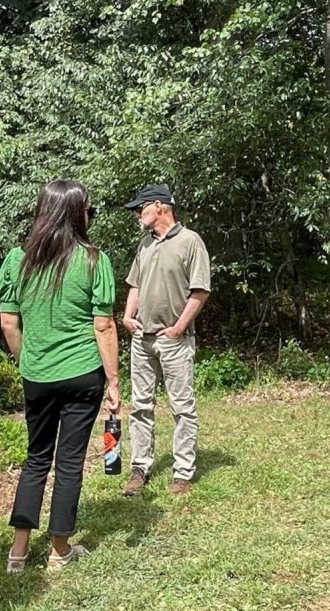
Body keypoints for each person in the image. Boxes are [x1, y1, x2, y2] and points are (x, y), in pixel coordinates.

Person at [0, 180, 120, 572]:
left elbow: (8, 321)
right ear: (76, 213)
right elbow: (103, 326)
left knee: (36, 458)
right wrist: (114, 381)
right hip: (83, 373)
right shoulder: (94, 259)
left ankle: (17, 552)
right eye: (88, 209)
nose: (90, 216)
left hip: (37, 374)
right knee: (69, 462)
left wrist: (26, 360)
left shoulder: (18, 259)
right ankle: (59, 550)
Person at [121, 185, 211, 496]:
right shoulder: (145, 244)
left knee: (182, 407)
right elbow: (135, 284)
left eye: (140, 208)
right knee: (140, 406)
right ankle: (139, 468)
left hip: (174, 341)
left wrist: (177, 328)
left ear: (159, 206)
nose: (136, 214)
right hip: (141, 339)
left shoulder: (190, 242)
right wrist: (127, 316)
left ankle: (182, 473)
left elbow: (200, 292)